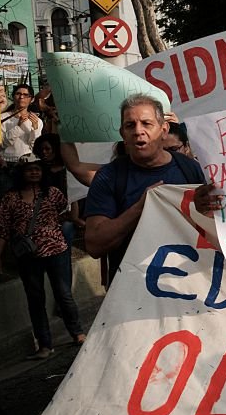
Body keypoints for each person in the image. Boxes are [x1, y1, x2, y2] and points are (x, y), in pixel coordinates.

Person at [84, 94, 218, 282]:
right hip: (135, 288)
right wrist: (140, 208)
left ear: (164, 130)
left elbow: (214, 225)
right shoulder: (109, 177)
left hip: (190, 283)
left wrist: (204, 209)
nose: (138, 131)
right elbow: (94, 245)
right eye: (130, 125)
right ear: (122, 134)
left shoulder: (189, 168)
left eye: (146, 124)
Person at [0, 155, 85, 358]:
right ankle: (44, 344)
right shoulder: (10, 199)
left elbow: (68, 212)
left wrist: (75, 199)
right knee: (35, 300)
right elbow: (3, 229)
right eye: (29, 169)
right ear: (21, 173)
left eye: (37, 169)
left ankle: (77, 333)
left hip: (56, 250)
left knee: (64, 294)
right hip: (27, 256)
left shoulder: (53, 193)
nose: (34, 172)